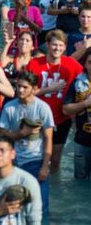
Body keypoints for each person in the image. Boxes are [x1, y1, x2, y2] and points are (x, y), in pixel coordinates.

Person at [27, 30, 82, 173]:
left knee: (55, 159)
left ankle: (53, 187)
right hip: (37, 118)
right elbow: (25, 93)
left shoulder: (71, 64)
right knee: (35, 156)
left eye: (60, 45)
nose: (57, 48)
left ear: (64, 47)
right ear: (47, 45)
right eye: (54, 45)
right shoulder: (34, 64)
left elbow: (86, 78)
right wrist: (48, 89)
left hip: (61, 118)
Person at [0, 71, 54, 216]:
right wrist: (21, 134)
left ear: (35, 89)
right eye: (18, 86)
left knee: (41, 207)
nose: (20, 90)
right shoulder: (9, 107)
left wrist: (45, 166)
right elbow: (2, 134)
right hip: (14, 162)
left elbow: (48, 138)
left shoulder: (43, 108)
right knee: (14, 207)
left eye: (24, 87)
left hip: (36, 161)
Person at [63, 48, 91, 180]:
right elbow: (66, 109)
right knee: (80, 180)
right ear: (85, 64)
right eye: (90, 62)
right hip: (82, 139)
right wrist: (85, 103)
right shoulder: (77, 83)